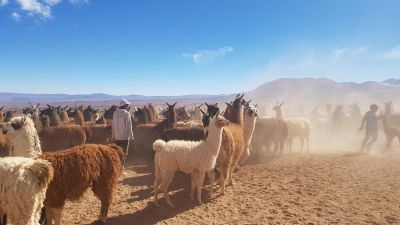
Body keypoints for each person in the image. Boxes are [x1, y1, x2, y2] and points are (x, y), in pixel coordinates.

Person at [112, 99, 134, 168]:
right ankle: (121, 167)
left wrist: (113, 135)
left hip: (117, 137)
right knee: (124, 153)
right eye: (127, 105)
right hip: (124, 137)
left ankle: (117, 166)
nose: (128, 106)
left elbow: (113, 125)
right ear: (125, 105)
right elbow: (129, 126)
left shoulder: (115, 113)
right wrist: (131, 136)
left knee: (117, 152)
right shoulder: (127, 114)